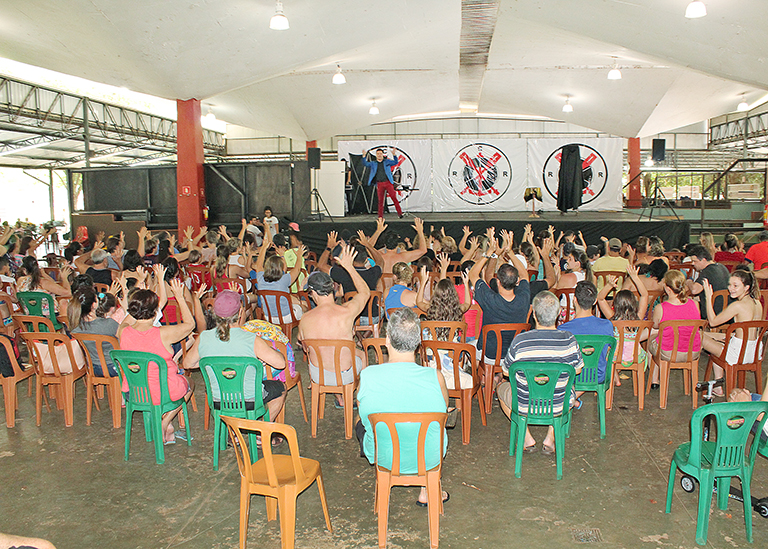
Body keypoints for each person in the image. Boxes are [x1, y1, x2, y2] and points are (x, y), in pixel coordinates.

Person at [356, 307, 449, 506]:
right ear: (418, 343)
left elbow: (366, 420)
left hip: (384, 456)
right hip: (429, 457)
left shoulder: (368, 376)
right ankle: (428, 487)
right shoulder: (435, 377)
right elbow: (443, 412)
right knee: (430, 426)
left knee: (361, 420)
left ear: (387, 340)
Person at [184, 290, 287, 429]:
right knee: (281, 388)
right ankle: (261, 429)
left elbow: (187, 363)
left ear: (215, 314)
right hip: (250, 400)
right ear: (240, 313)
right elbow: (280, 364)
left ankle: (233, 430)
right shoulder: (252, 339)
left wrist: (210, 362)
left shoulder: (204, 338)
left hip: (218, 399)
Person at [497, 291, 583, 454]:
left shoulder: (520, 341)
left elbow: (507, 372)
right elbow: (577, 370)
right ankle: (550, 436)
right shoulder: (569, 339)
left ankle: (526, 437)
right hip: (559, 404)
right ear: (558, 313)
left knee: (501, 389)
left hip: (525, 403)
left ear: (534, 314)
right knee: (568, 390)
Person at [118, 279, 194, 444]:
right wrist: (180, 297)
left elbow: (127, 320)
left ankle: (166, 425)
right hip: (164, 391)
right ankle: (165, 422)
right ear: (155, 312)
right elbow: (190, 324)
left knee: (163, 385)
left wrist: (139, 301)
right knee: (189, 384)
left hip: (135, 392)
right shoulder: (164, 333)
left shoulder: (123, 332)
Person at [298, 246, 369, 405]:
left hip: (319, 375)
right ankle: (359, 396)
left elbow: (304, 346)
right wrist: (350, 268)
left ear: (313, 293)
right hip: (345, 375)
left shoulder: (305, 319)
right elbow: (365, 293)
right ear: (333, 287)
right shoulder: (347, 311)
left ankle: (339, 398)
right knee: (361, 354)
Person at [469, 228, 530, 364]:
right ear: (517, 281)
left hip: (490, 355)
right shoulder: (523, 297)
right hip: (515, 354)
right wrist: (510, 253)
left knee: (468, 346)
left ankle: (484, 378)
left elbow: (473, 274)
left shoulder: (490, 298)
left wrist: (489, 253)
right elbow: (525, 275)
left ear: (498, 282)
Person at [700, 269, 763, 396]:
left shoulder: (738, 305)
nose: (730, 289)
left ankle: (718, 384)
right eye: (729, 285)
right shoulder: (757, 303)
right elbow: (746, 331)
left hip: (738, 354)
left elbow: (712, 322)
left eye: (735, 286)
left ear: (746, 287)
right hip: (755, 352)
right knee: (710, 336)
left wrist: (708, 296)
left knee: (698, 336)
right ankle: (718, 386)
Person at [648, 270, 702, 388]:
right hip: (692, 352)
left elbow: (656, 325)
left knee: (652, 336)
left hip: (668, 353)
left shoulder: (660, 308)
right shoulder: (695, 304)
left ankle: (654, 380)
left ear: (667, 289)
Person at [558, 281, 614, 385]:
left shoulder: (563, 329)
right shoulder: (607, 325)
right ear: (595, 301)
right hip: (598, 376)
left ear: (575, 300)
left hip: (572, 376)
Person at [68, 286, 121, 377]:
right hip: (113, 367)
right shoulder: (109, 324)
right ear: (93, 305)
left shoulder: (75, 327)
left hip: (92, 367)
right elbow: (124, 336)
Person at [685, 245, 730, 319]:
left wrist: (689, 281)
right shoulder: (722, 267)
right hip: (727, 310)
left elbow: (695, 290)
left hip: (713, 310)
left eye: (695, 261)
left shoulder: (707, 271)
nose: (692, 264)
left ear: (703, 260)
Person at [362, 146, 403, 218]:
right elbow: (365, 164)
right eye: (378, 154)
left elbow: (396, 162)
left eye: (380, 153)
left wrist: (394, 155)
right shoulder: (373, 163)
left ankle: (400, 213)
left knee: (394, 197)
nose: (379, 155)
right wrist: (364, 156)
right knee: (380, 200)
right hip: (379, 183)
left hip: (388, 182)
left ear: (382, 154)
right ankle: (380, 216)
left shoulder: (386, 161)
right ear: (376, 155)